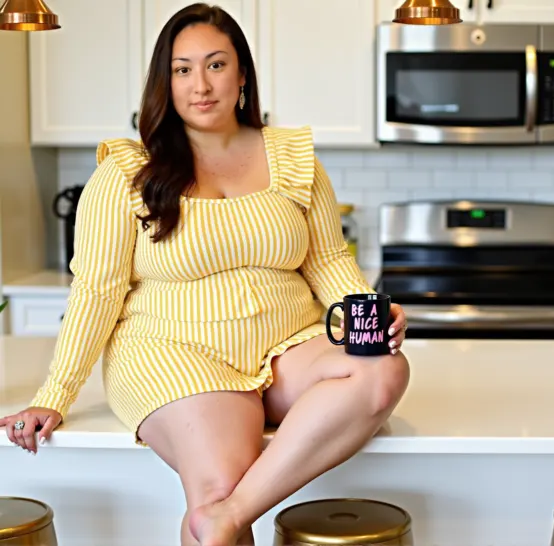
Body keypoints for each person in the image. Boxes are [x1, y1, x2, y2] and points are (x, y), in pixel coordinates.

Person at [0, 4, 410, 546]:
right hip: (174, 349)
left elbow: (328, 260)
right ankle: (222, 514)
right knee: (216, 483)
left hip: (288, 342)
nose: (201, 85)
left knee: (383, 371)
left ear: (242, 74)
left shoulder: (292, 158)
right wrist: (56, 393)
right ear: (164, 81)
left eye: (216, 65)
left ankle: (229, 514)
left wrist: (369, 312)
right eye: (182, 69)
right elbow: (96, 292)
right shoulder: (127, 171)